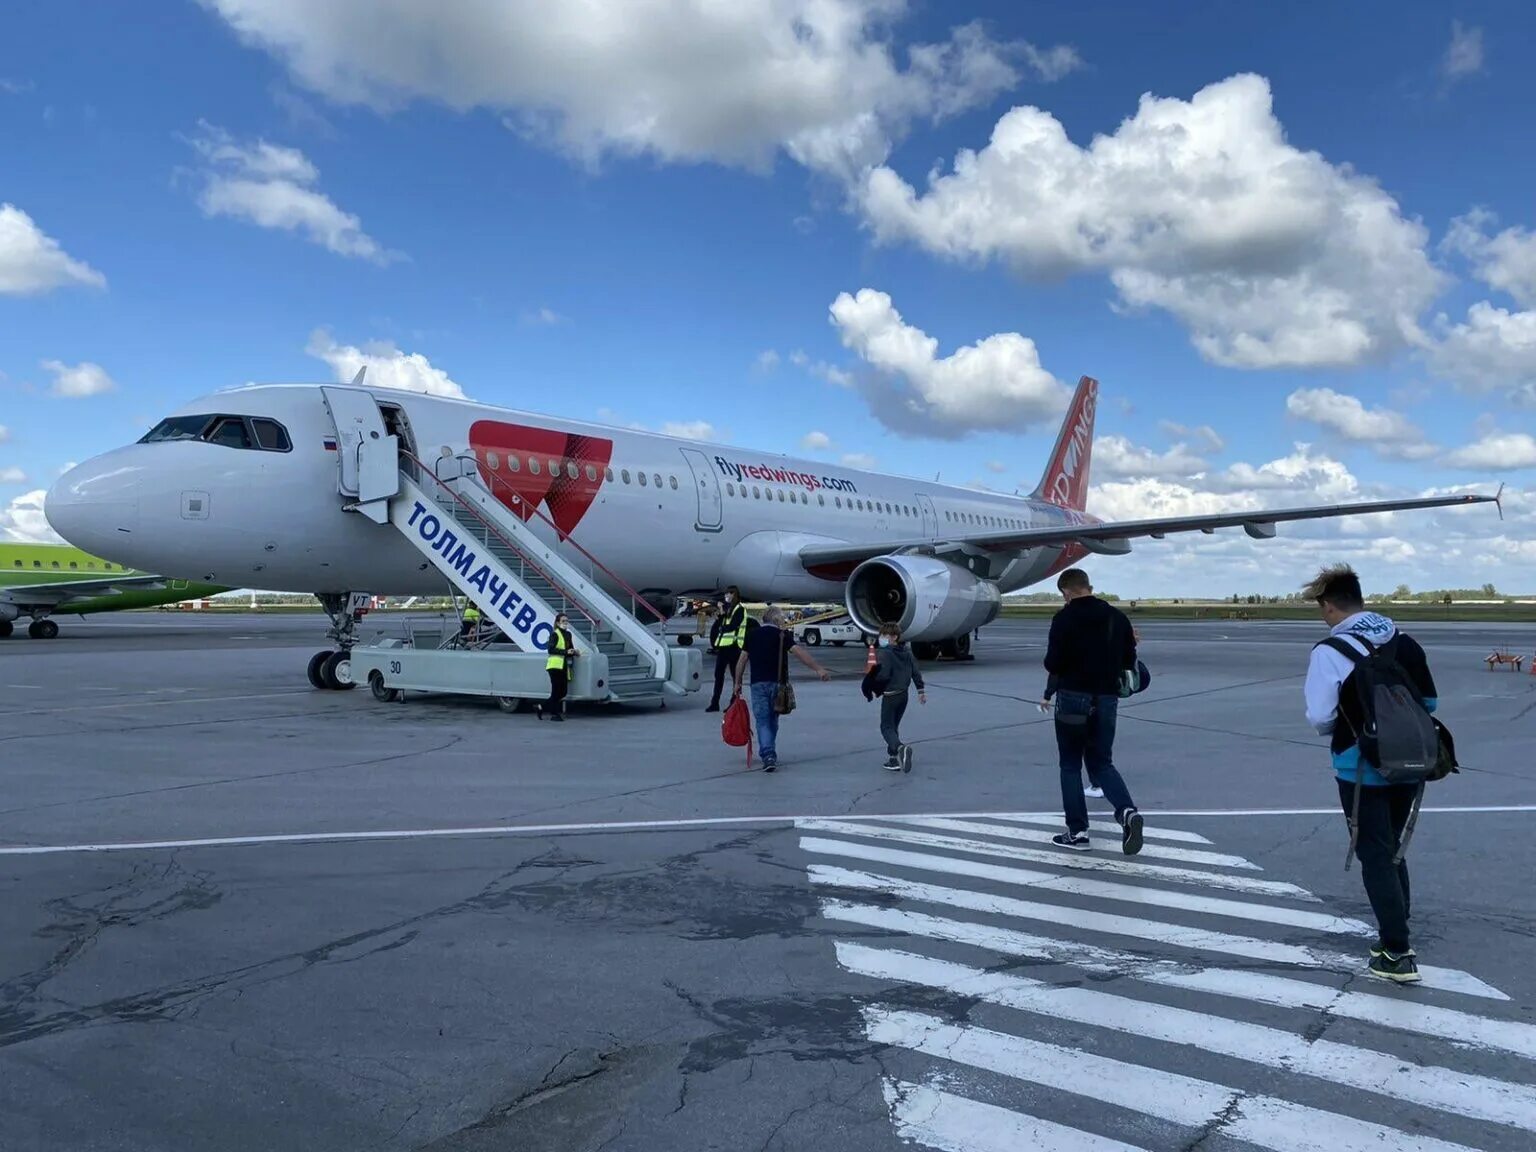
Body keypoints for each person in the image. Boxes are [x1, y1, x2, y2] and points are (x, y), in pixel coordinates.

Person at [1302, 564, 1437, 984]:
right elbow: (1429, 702)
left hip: (1359, 767)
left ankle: (1397, 953)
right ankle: (1396, 929)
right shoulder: (1405, 642)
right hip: (1411, 761)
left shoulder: (1330, 651)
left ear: (1329, 606)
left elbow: (1321, 717)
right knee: (1393, 849)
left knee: (1373, 854)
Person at [1040, 568, 1144, 855]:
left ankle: (1078, 832)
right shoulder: (1117, 617)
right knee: (1102, 763)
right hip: (1107, 699)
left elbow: (1053, 663)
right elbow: (1128, 659)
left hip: (1073, 698)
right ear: (1089, 586)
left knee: (1071, 765)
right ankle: (1127, 812)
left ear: (1067, 591)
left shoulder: (1064, 618)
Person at [733, 605, 830, 771]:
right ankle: (769, 752)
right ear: (777, 620)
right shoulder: (782, 635)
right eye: (783, 619)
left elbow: (742, 660)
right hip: (778, 684)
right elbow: (798, 652)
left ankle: (768, 753)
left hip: (757, 684)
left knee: (762, 720)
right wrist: (818, 668)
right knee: (773, 720)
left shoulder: (752, 635)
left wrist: (737, 682)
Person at [862, 622, 926, 772]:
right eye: (881, 635)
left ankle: (900, 748)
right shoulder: (907, 653)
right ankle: (893, 759)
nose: (882, 638)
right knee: (894, 726)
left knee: (886, 727)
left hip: (890, 695)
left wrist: (872, 681)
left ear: (894, 637)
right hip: (904, 695)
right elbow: (915, 672)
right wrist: (921, 690)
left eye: (885, 635)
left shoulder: (886, 653)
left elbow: (883, 675)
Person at [706, 586, 747, 713]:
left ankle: (734, 702)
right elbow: (722, 622)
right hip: (724, 647)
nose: (726, 597)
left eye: (728, 594)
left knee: (736, 676)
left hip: (734, 647)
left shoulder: (740, 610)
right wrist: (721, 611)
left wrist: (722, 627)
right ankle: (715, 702)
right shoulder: (729, 609)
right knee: (718, 674)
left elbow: (733, 626)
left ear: (734, 594)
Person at [536, 612, 577, 721]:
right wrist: (566, 651)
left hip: (563, 666)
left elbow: (570, 649)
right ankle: (554, 714)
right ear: (558, 623)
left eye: (567, 621)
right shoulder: (555, 634)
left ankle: (541, 707)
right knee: (556, 691)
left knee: (563, 692)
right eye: (563, 621)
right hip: (554, 666)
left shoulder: (568, 634)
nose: (565, 623)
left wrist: (574, 652)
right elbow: (551, 649)